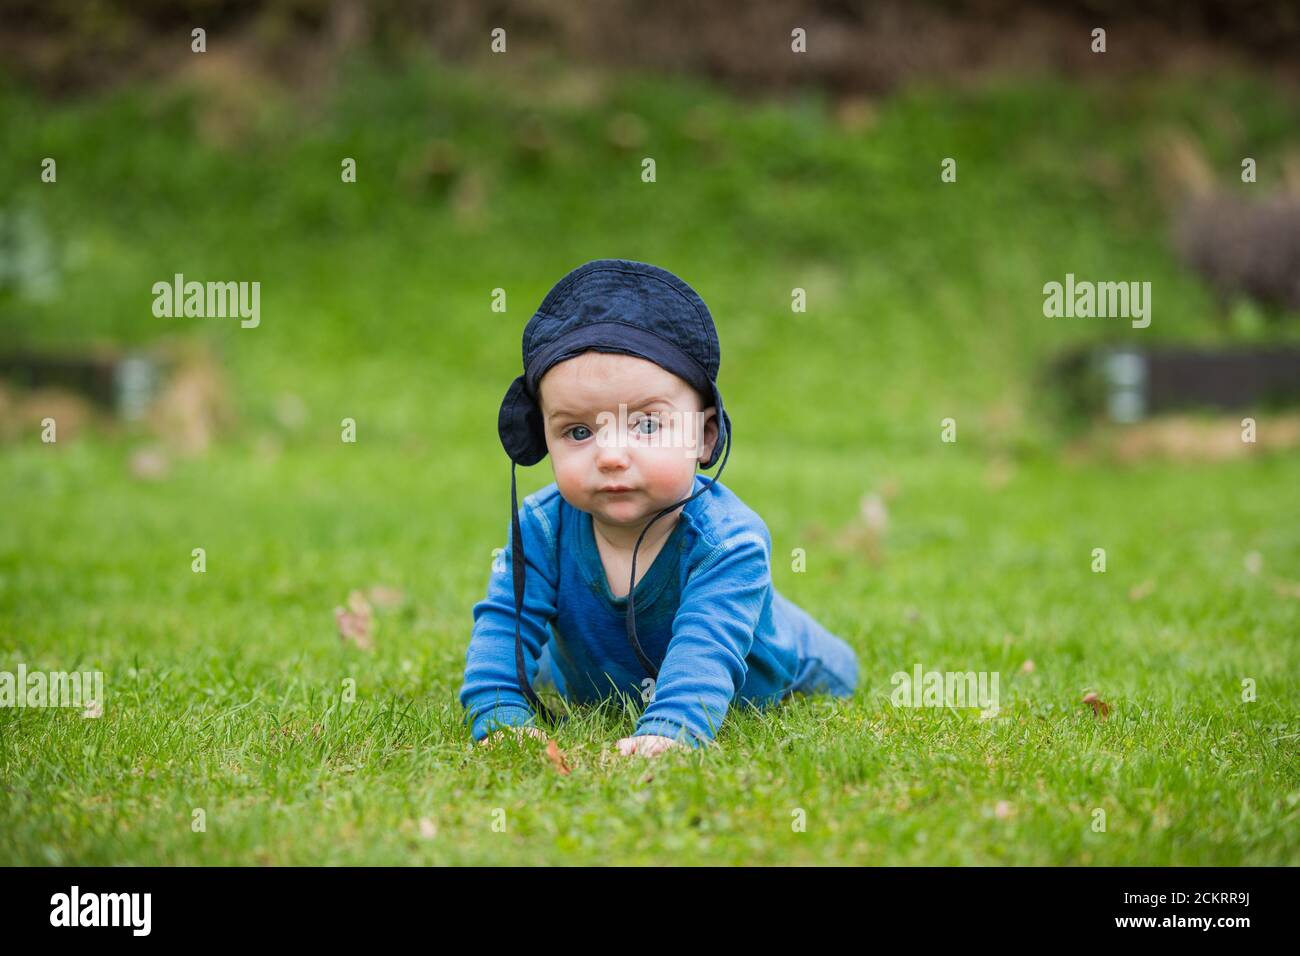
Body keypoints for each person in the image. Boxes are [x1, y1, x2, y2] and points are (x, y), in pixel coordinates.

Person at [459, 258, 858, 757]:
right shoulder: (541, 528)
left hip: (757, 670)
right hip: (597, 673)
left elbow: (704, 650)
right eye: (578, 431)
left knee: (838, 670)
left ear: (705, 436)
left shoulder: (728, 541)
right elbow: (504, 625)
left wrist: (669, 730)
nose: (610, 455)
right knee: (536, 658)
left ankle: (801, 641)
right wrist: (501, 716)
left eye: (646, 425)